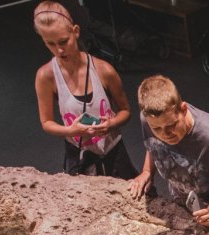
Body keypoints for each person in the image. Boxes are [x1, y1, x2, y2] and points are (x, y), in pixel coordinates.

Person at [127, 76, 209, 228]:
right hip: (186, 205)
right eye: (156, 129)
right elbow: (153, 145)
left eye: (172, 125)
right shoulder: (149, 120)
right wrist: (146, 171)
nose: (165, 134)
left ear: (183, 109)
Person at [32, 2, 136, 178]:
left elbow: (125, 111)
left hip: (113, 150)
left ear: (76, 31)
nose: (59, 49)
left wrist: (111, 124)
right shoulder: (45, 76)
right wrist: (71, 131)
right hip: (78, 154)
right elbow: (46, 122)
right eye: (50, 43)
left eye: (64, 41)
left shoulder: (104, 70)